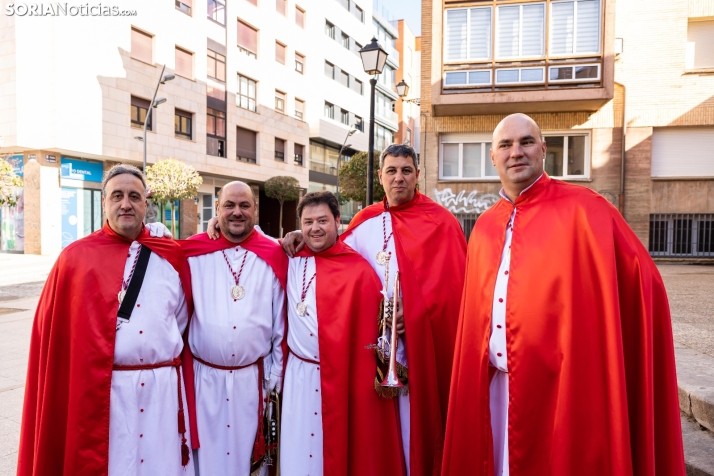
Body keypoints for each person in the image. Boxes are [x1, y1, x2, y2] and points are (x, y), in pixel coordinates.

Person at [442, 113, 685, 476]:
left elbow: (643, 280)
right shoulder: (485, 226)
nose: (516, 152)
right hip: (494, 388)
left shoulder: (586, 209)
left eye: (526, 142)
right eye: (505, 145)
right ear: (492, 157)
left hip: (563, 390)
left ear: (543, 149)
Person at [274, 144, 467, 475]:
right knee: (378, 436)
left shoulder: (442, 223)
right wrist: (300, 235)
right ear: (380, 177)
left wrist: (417, 309)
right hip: (368, 351)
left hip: (418, 348)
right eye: (391, 171)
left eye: (406, 170)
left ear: (417, 175)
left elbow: (458, 292)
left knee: (414, 430)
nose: (399, 178)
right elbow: (333, 253)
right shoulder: (365, 220)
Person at [18, 164, 197, 475]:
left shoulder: (171, 255)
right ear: (104, 203)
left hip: (162, 391)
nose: (125, 203)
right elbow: (55, 339)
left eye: (134, 196)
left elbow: (180, 318)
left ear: (146, 204)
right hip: (105, 392)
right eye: (117, 196)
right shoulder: (74, 258)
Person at [280, 190, 406, 476]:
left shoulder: (359, 271)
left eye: (323, 220)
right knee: (298, 452)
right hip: (298, 377)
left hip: (340, 378)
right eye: (308, 222)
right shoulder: (289, 257)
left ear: (338, 221)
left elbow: (376, 333)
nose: (315, 228)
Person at [179, 181, 287, 476]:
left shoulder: (274, 254)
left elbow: (280, 323)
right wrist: (156, 231)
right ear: (217, 209)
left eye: (244, 205)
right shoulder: (193, 251)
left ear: (255, 209)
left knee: (250, 460)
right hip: (205, 381)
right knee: (207, 460)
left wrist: (275, 379)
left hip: (252, 381)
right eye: (229, 205)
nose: (236, 212)